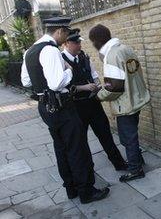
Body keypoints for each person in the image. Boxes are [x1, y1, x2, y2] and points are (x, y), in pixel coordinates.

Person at [21, 17, 110, 204]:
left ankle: (71, 189)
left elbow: (26, 81)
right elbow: (57, 82)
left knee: (61, 148)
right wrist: (68, 70)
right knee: (77, 149)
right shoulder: (51, 49)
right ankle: (86, 191)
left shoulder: (30, 51)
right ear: (60, 31)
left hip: (45, 107)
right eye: (67, 34)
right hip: (62, 106)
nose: (66, 38)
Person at [88, 24, 150, 182]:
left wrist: (98, 96)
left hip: (125, 104)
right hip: (136, 99)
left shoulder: (112, 55)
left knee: (127, 138)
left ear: (96, 42)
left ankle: (136, 170)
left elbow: (114, 87)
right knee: (132, 135)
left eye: (92, 42)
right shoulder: (126, 49)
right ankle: (138, 160)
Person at [62, 28, 127, 171]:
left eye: (79, 42)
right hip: (76, 106)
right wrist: (84, 87)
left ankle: (119, 164)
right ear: (66, 43)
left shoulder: (84, 56)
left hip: (93, 102)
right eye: (75, 42)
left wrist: (97, 85)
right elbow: (63, 86)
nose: (79, 45)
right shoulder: (62, 60)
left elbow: (93, 74)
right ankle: (87, 170)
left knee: (105, 134)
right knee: (80, 142)